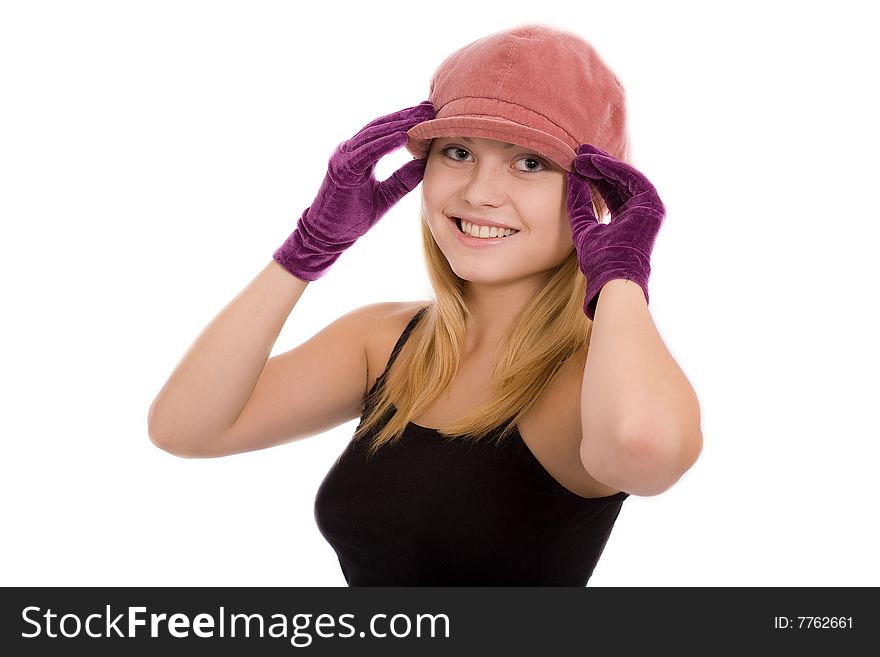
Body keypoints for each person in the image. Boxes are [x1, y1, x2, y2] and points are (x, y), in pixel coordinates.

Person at [148, 24, 702, 586]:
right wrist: (309, 248)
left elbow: (645, 452)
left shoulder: (593, 379)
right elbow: (185, 429)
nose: (479, 192)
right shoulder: (381, 339)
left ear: (601, 192)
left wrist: (620, 280)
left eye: (530, 162)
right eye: (458, 152)